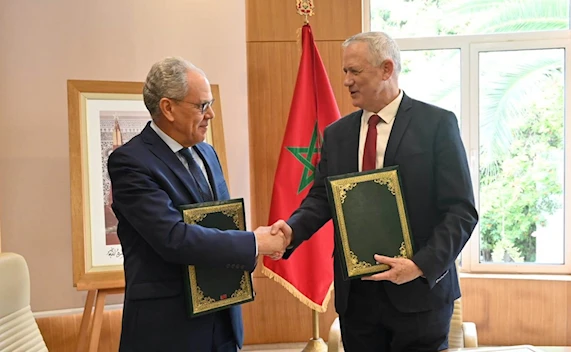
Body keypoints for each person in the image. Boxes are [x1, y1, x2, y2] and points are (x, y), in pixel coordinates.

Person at [270, 32, 479, 351]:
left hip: (419, 295)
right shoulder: (337, 134)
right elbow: (322, 198)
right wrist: (291, 230)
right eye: (344, 72)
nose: (347, 81)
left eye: (355, 71)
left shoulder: (437, 124)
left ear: (386, 69)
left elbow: (461, 211)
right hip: (358, 300)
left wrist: (420, 265)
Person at [108, 57, 288, 352]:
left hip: (223, 320)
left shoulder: (207, 153)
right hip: (169, 331)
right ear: (168, 108)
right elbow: (173, 238)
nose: (211, 115)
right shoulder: (131, 162)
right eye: (202, 105)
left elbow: (221, 222)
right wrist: (254, 242)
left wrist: (256, 245)